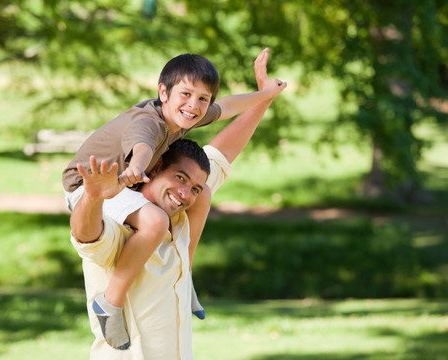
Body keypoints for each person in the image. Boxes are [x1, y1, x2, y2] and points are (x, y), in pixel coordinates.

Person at [67, 50, 286, 359]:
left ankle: (188, 274)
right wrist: (125, 175)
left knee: (204, 194)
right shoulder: (149, 126)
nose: (194, 105)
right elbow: (140, 148)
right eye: (186, 94)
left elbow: (227, 115)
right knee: (154, 221)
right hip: (92, 187)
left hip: (127, 182)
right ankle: (110, 301)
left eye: (202, 99)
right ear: (163, 92)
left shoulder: (183, 131)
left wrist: (265, 95)